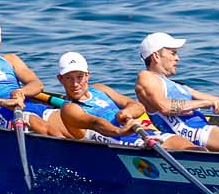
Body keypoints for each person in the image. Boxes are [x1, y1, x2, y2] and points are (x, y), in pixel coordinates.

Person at [47, 51, 191, 149]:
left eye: (79, 77)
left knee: (190, 147)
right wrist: (120, 131)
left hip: (141, 133)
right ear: (60, 79)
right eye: (69, 78)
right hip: (119, 143)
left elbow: (136, 105)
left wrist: (126, 113)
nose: (75, 84)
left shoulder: (100, 89)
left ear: (87, 76)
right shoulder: (69, 108)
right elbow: (95, 123)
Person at [135, 32, 219, 153]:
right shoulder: (146, 77)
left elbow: (218, 99)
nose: (177, 58)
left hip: (202, 128)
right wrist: (206, 103)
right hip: (189, 131)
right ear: (156, 56)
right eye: (173, 53)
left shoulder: (177, 85)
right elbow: (165, 107)